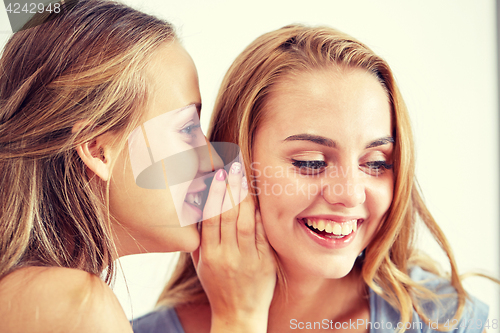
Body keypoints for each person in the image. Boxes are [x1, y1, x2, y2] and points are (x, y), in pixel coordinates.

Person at [134, 25, 492, 333]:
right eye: (311, 162)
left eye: (376, 163)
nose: (350, 194)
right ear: (232, 166)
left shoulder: (446, 321)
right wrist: (238, 320)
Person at [0, 1, 275, 332]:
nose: (216, 159)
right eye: (187, 128)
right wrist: (240, 317)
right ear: (97, 149)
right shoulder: (75, 306)